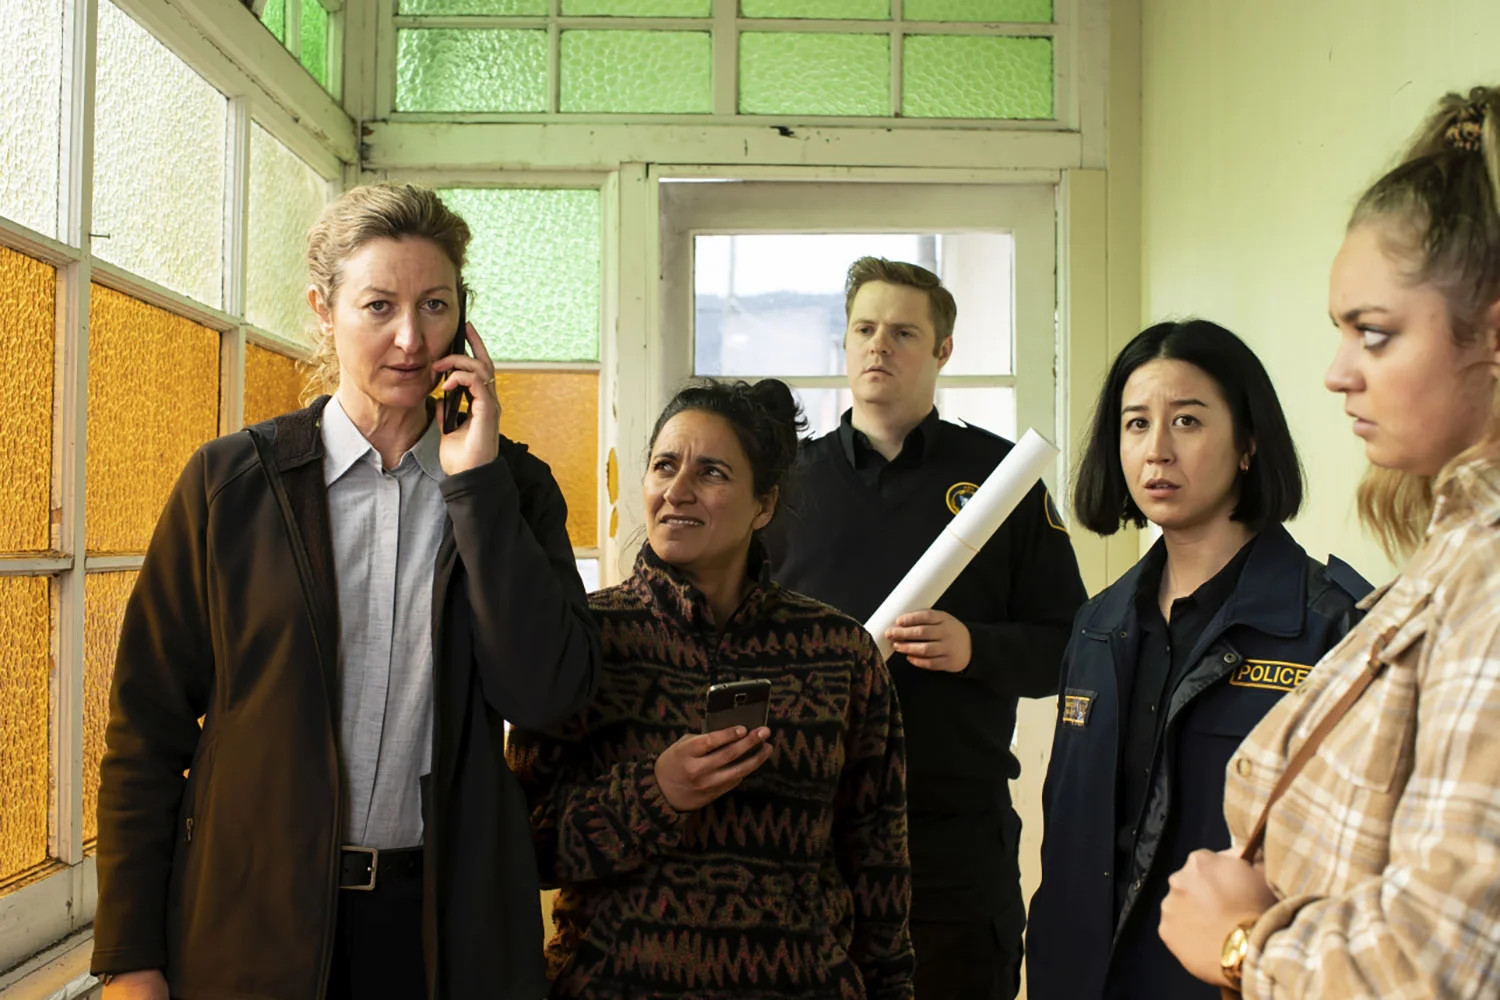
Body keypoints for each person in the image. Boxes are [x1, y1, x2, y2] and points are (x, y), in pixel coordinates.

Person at [89, 183, 601, 1000]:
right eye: (378, 306)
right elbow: (145, 733)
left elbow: (547, 696)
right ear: (324, 311)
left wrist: (475, 488)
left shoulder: (514, 489)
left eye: (435, 306)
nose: (410, 338)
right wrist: (129, 955)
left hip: (443, 933)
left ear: (465, 319)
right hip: (253, 927)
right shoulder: (232, 485)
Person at [1159, 86, 1500, 997]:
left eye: (1375, 336)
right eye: (1340, 332)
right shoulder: (1449, 555)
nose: (1338, 373)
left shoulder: (1489, 573)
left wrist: (1244, 947)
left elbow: (1443, 964)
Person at [507, 378, 914, 1000]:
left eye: (712, 472)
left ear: (763, 505)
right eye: (664, 466)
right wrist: (654, 793)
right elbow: (520, 848)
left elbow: (880, 869)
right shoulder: (586, 638)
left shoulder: (840, 653)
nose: (677, 491)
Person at [762, 257, 1087, 1000]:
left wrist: (975, 647)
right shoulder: (784, 486)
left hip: (952, 838)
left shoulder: (1002, 481)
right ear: (846, 342)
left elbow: (1069, 647)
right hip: (809, 830)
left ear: (943, 350)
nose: (879, 345)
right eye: (864, 329)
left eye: (903, 332)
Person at [1024, 320, 1368, 1000]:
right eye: (1136, 424)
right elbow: (1067, 849)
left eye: (1186, 421)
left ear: (1248, 443)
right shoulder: (1096, 626)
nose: (1157, 449)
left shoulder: (1332, 629)